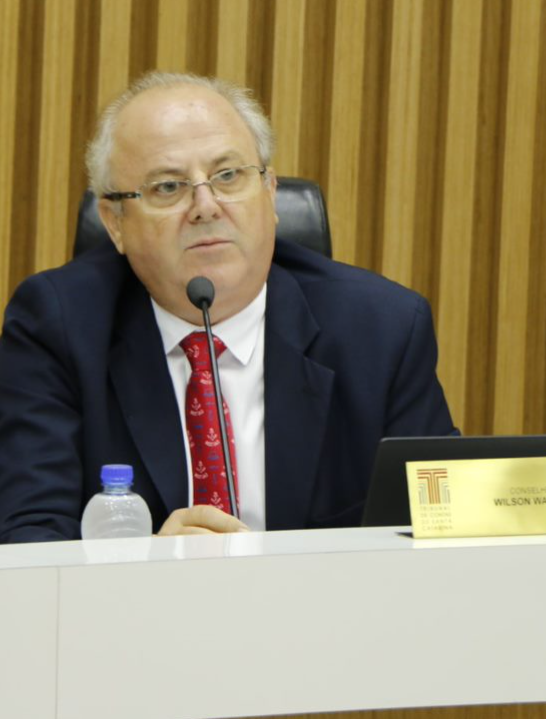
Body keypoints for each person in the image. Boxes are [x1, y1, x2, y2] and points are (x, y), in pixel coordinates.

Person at [0, 71, 456, 543]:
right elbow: (29, 538)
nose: (206, 206)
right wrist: (146, 569)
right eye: (167, 187)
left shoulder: (381, 329)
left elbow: (445, 525)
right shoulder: (56, 327)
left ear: (270, 193)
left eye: (228, 176)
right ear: (116, 222)